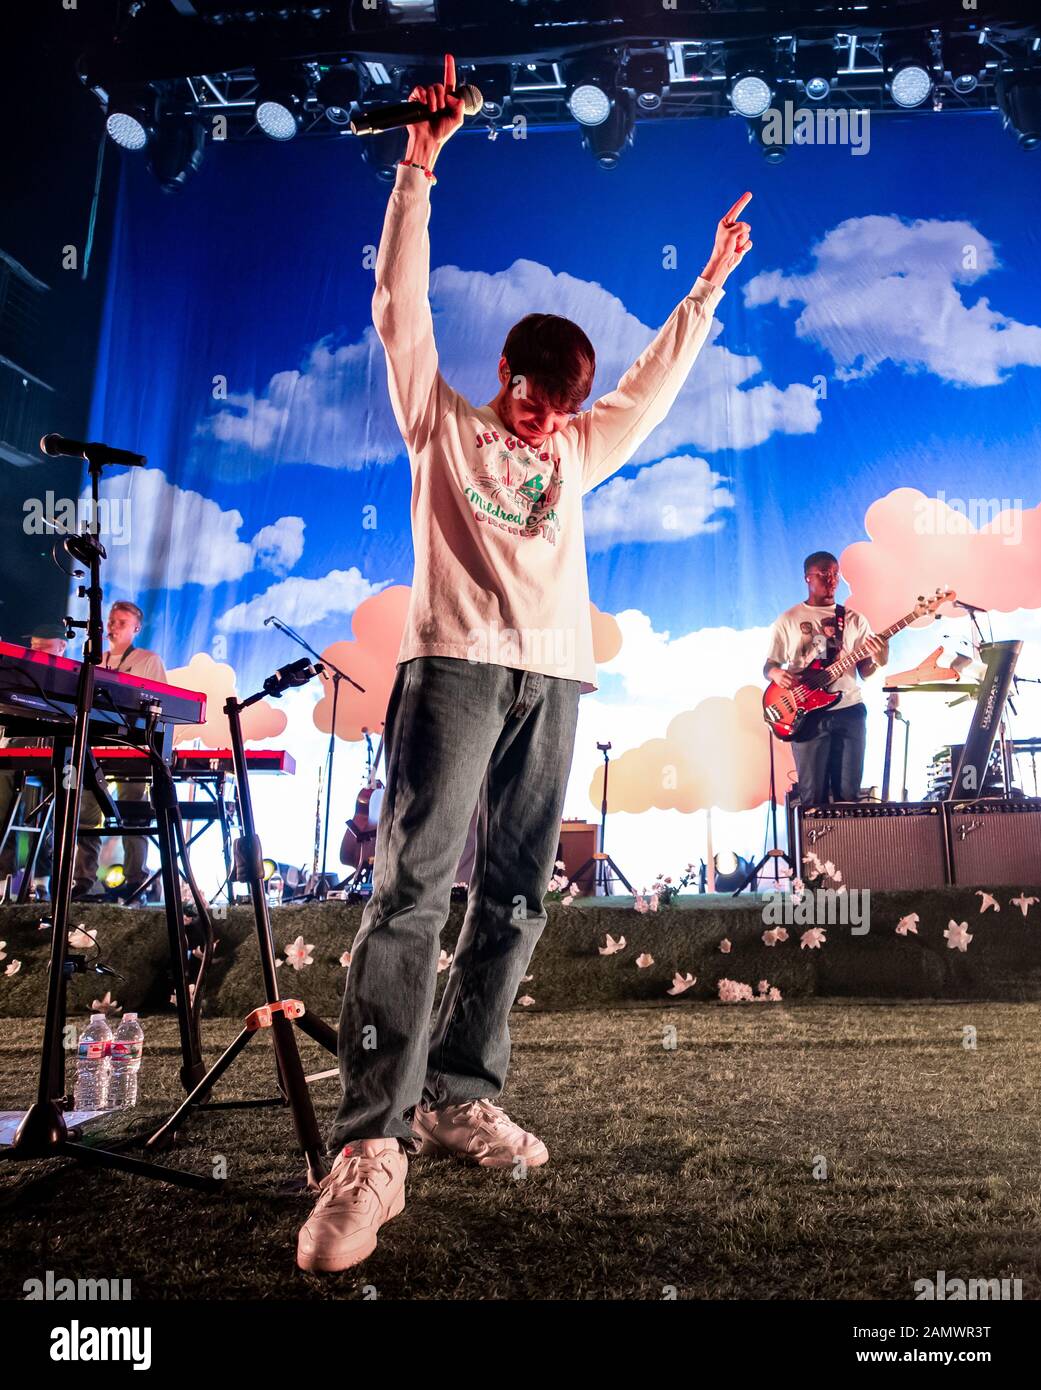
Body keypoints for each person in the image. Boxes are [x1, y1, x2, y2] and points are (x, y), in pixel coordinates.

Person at [296, 52, 753, 1273]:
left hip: (553, 681)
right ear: (506, 379)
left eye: (564, 401)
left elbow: (654, 389)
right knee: (410, 892)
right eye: (535, 395)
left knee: (515, 896)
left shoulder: (585, 447)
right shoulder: (443, 424)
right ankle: (371, 1145)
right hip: (452, 670)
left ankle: (455, 1092)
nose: (546, 415)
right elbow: (401, 309)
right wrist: (418, 168)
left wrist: (706, 285)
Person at [763, 551, 888, 805]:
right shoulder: (788, 620)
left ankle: (845, 844)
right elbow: (770, 665)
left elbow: (865, 672)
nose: (831, 580)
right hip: (806, 713)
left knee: (849, 796)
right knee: (812, 797)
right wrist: (777, 674)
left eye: (835, 574)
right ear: (807, 577)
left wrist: (880, 659)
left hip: (849, 710)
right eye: (824, 574)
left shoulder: (854, 619)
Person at [73, 601, 168, 899]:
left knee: (134, 814)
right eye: (112, 621)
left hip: (133, 748)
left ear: (136, 629)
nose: (113, 627)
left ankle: (135, 880)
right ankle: (83, 881)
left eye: (121, 622)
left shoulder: (148, 659)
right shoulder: (93, 660)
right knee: (87, 814)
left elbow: (163, 704)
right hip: (96, 746)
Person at [0, 624, 69, 887]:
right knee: (3, 809)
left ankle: (41, 883)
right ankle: (4, 882)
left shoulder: (71, 678)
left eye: (43, 647)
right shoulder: (20, 674)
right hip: (17, 747)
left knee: (46, 814)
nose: (35, 652)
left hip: (54, 752)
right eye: (33, 647)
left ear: (61, 646)